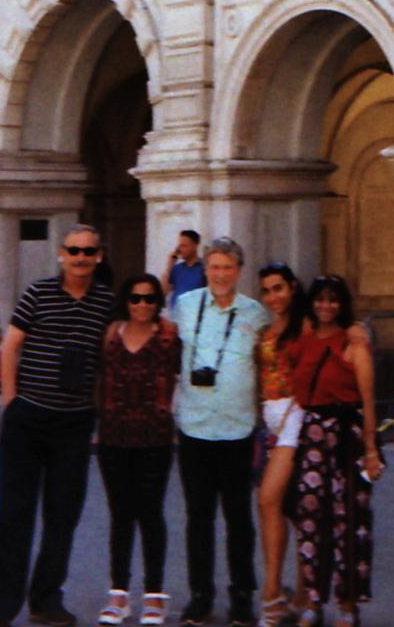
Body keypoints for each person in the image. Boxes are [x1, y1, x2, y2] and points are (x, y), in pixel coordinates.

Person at [0, 224, 116, 627]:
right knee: (12, 517)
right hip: (28, 419)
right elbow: (10, 346)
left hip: (74, 423)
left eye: (88, 251)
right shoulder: (38, 293)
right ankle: (1, 608)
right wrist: (10, 403)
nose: (81, 258)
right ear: (61, 253)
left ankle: (46, 599)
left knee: (63, 516)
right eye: (74, 250)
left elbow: (110, 352)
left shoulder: (106, 302)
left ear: (99, 256)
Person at [172, 236, 269, 627]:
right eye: (214, 266)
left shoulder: (255, 314)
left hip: (237, 429)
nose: (221, 274)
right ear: (205, 268)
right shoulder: (184, 305)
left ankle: (242, 595)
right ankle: (200, 595)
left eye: (228, 267)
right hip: (194, 427)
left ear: (239, 271)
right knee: (198, 517)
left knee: (239, 518)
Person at [291, 274, 383, 627]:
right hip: (313, 435)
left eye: (333, 299)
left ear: (342, 304)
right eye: (320, 299)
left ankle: (348, 604)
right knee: (310, 516)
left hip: (348, 436)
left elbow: (368, 400)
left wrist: (371, 449)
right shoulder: (305, 338)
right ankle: (313, 600)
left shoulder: (354, 342)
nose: (325, 306)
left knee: (350, 520)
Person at [95, 271, 181, 627]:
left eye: (149, 298)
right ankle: (118, 593)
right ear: (125, 301)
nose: (142, 304)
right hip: (113, 436)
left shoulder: (169, 336)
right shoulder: (111, 334)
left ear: (158, 302)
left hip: (154, 437)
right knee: (121, 514)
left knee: (150, 513)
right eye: (135, 298)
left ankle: (154, 594)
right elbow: (98, 377)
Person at [255, 262, 308, 627]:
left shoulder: (304, 326)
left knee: (268, 497)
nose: (273, 297)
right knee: (293, 509)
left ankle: (271, 591)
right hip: (271, 422)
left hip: (295, 418)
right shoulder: (267, 328)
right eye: (267, 290)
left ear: (292, 287)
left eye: (279, 288)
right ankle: (302, 594)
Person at [167, 231, 207, 308]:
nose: (180, 249)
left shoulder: (204, 268)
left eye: (184, 246)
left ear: (195, 246)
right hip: (176, 312)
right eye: (179, 246)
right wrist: (169, 265)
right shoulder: (177, 269)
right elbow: (163, 291)